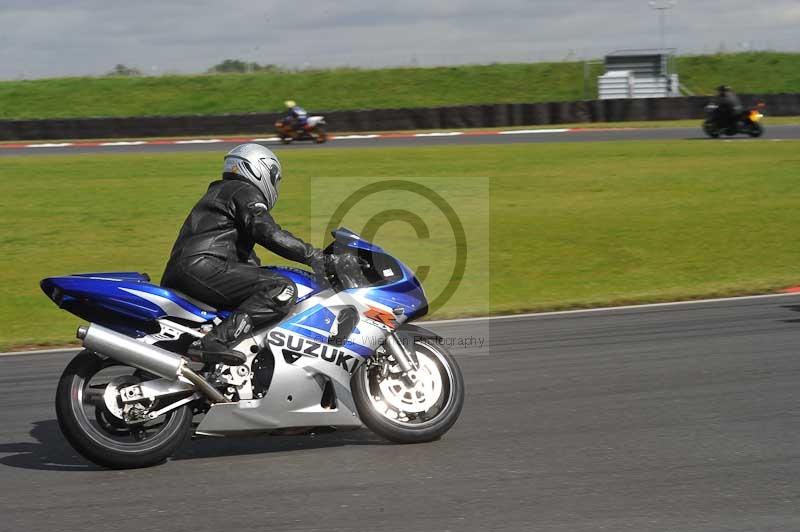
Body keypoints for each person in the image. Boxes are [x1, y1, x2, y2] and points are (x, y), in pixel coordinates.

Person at [161, 143, 351, 365]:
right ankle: (213, 342)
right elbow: (267, 231)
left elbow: (249, 263)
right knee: (280, 287)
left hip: (193, 269)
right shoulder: (242, 191)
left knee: (263, 282)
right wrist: (317, 258)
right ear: (259, 169)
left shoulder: (222, 193)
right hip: (202, 266)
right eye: (275, 178)